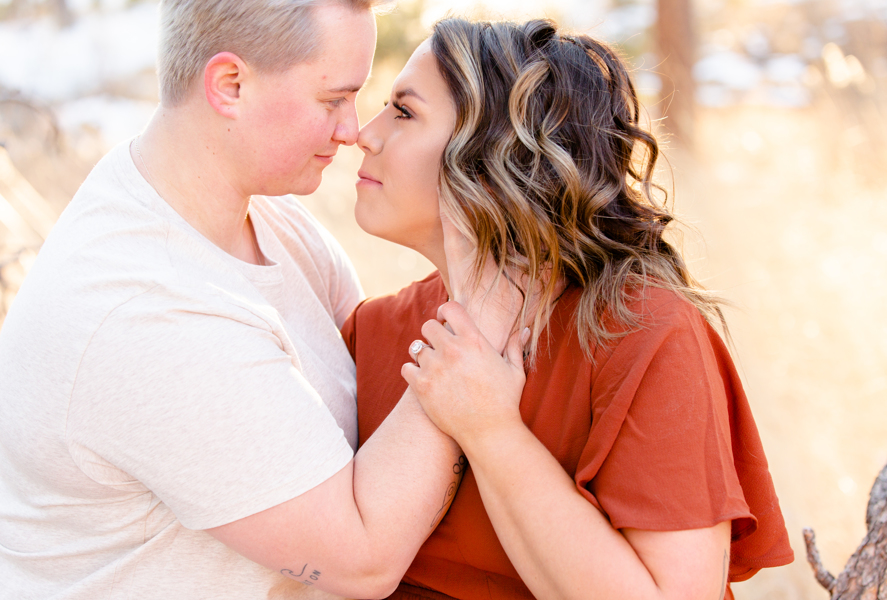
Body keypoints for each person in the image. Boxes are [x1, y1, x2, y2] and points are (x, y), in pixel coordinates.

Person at [0, 2, 470, 598]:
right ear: (230, 85)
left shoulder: (267, 217)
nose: (352, 129)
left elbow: (370, 388)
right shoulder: (147, 311)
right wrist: (484, 305)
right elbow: (364, 561)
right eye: (332, 100)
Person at [343, 17, 794, 600]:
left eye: (403, 113)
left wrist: (490, 429)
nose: (364, 134)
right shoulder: (373, 332)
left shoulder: (642, 333)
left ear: (494, 153)